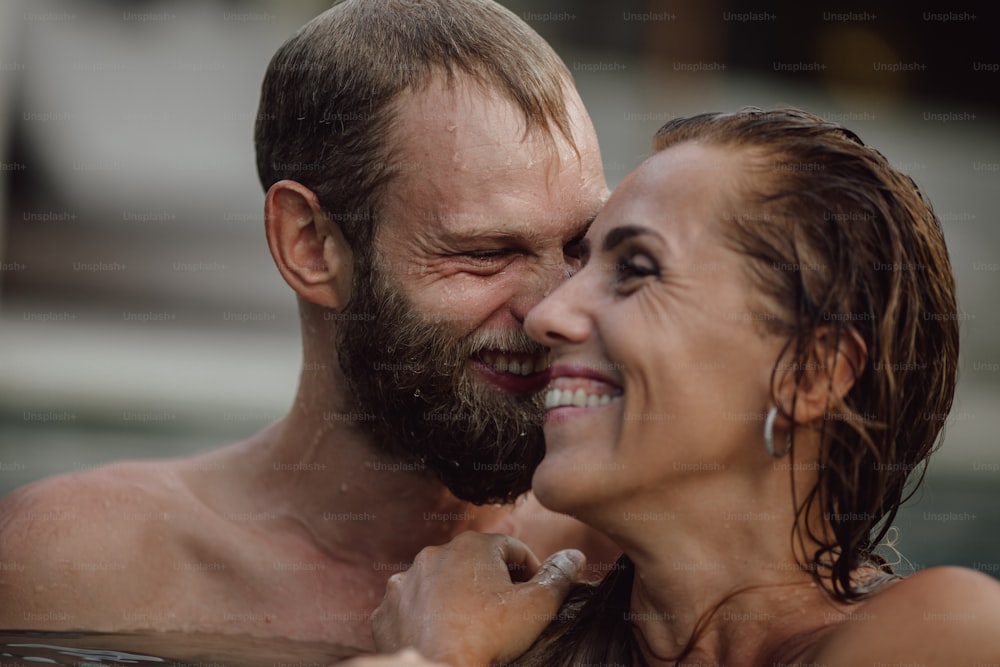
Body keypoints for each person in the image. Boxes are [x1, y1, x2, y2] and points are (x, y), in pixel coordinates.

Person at [0, 0, 615, 650]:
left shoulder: (625, 554)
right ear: (310, 245)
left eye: (583, 245)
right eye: (486, 254)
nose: (558, 308)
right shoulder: (81, 563)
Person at [370, 107, 1000, 666]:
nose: (546, 316)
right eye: (582, 264)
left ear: (810, 373)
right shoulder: (504, 627)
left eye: (636, 269)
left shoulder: (950, 631)